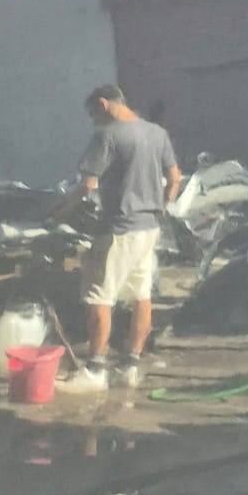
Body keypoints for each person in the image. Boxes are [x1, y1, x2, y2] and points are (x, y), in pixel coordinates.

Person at [60, 83, 181, 392]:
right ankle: (129, 366)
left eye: (93, 115)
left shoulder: (108, 135)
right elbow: (175, 179)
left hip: (118, 229)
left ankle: (95, 370)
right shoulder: (157, 133)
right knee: (141, 296)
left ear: (103, 104)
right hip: (149, 228)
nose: (94, 122)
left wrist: (60, 211)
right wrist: (161, 207)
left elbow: (88, 184)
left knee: (99, 297)